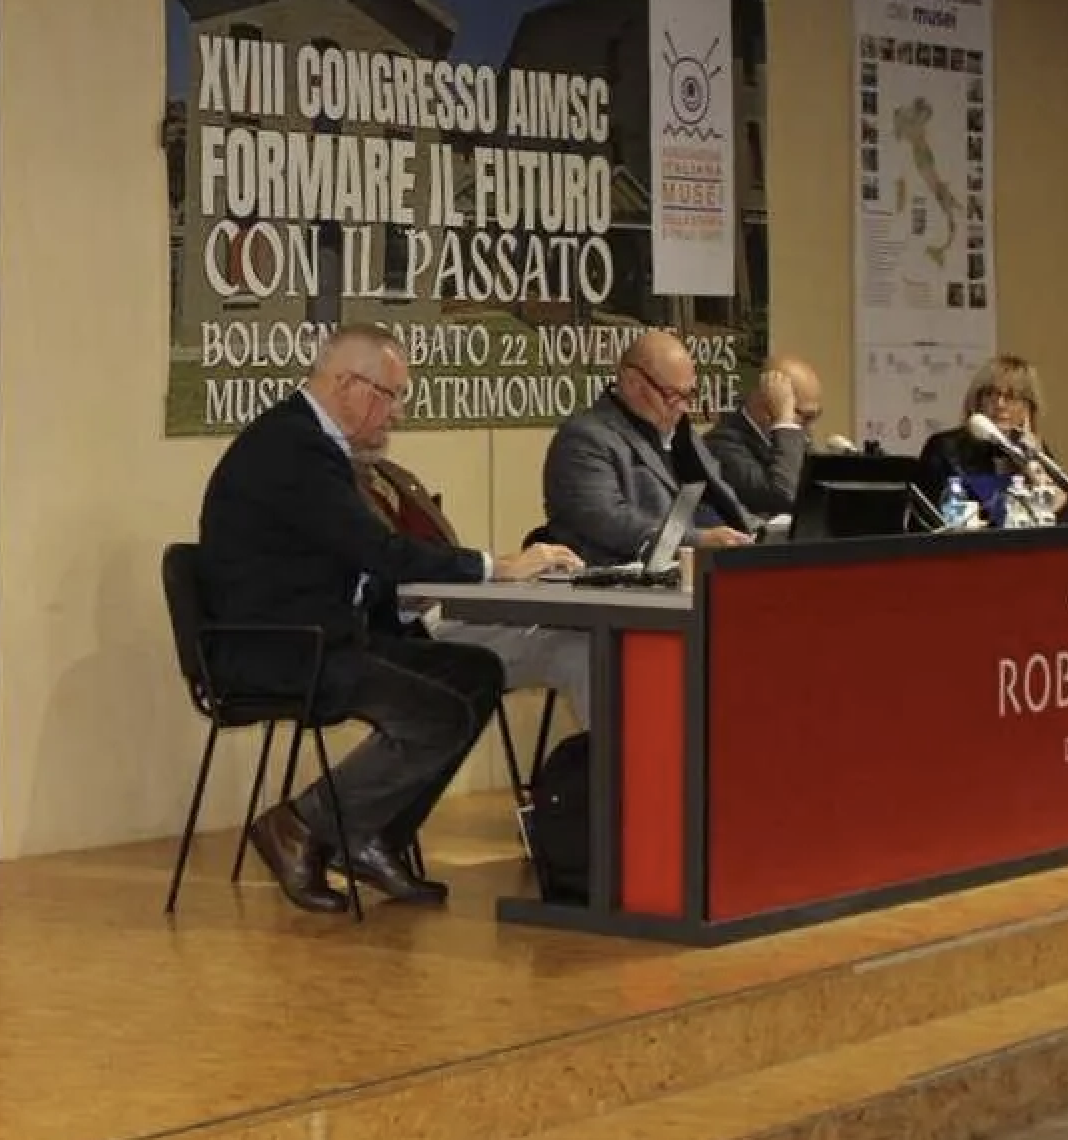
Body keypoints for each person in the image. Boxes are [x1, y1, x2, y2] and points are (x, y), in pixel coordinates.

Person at [197, 324, 578, 913]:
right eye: (391, 395)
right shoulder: (292, 448)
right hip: (282, 647)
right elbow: (378, 550)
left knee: (476, 672)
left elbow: (345, 559)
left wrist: (402, 601)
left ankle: (373, 837)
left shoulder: (316, 445)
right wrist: (495, 567)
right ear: (347, 383)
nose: (397, 413)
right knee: (438, 713)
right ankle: (300, 824)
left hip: (326, 634)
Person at [356, 441, 595, 731]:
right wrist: (497, 569)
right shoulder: (333, 487)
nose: (393, 418)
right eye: (382, 406)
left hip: (450, 611)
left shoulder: (396, 476)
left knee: (581, 647)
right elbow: (386, 567)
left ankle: (616, 758)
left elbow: (445, 554)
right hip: (402, 631)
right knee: (577, 646)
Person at [541, 329, 758, 567]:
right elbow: (611, 523)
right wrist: (698, 541)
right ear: (632, 383)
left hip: (708, 566)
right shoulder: (584, 439)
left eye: (690, 395)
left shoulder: (682, 435)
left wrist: (759, 532)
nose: (683, 407)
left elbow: (724, 502)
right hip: (625, 576)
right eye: (672, 395)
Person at [917, 355, 1068, 520]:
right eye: (990, 394)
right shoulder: (945, 448)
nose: (999, 404)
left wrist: (1031, 466)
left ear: (1027, 408)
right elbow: (928, 521)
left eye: (1011, 397)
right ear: (978, 402)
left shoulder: (1031, 449)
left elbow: (1061, 513)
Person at [702, 354, 824, 519]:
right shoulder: (720, 445)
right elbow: (782, 496)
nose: (811, 427)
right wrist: (784, 421)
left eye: (816, 416)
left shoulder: (794, 442)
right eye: (806, 417)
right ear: (767, 406)